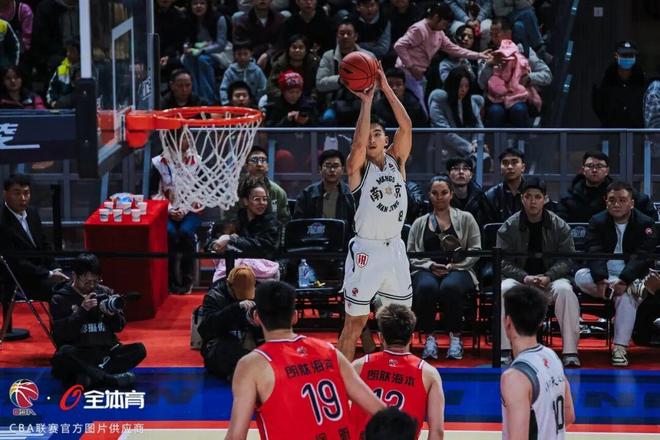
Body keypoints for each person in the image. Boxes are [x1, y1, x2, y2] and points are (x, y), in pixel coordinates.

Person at [225, 281, 385, 440]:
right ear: (294, 316)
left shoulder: (252, 365)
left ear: (256, 317)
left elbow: (236, 436)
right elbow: (382, 412)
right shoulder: (329, 351)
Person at [336, 63, 413, 362]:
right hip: (366, 251)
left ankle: (397, 375)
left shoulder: (397, 160)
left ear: (385, 139)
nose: (370, 138)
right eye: (367, 134)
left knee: (401, 323)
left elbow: (406, 126)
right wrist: (366, 102)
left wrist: (385, 87)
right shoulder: (357, 168)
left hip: (395, 250)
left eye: (377, 133)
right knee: (354, 324)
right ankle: (342, 381)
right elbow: (357, 144)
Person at [496, 177, 581, 368]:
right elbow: (502, 261)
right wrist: (524, 277)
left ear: (545, 199)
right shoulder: (509, 226)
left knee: (566, 291)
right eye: (528, 196)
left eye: (537, 197)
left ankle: (570, 352)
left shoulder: (560, 225)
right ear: (522, 199)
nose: (532, 201)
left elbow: (568, 259)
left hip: (550, 280)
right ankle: (504, 350)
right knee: (504, 289)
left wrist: (549, 276)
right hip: (521, 281)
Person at [574, 181, 657, 367]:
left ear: (632, 203)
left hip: (631, 273)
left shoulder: (645, 223)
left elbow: (642, 257)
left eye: (622, 200)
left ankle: (619, 348)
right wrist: (601, 279)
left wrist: (624, 280)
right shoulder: (597, 221)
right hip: (603, 276)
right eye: (612, 200)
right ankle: (634, 288)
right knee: (580, 276)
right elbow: (594, 252)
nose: (616, 204)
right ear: (606, 201)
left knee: (626, 296)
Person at [407, 176, 481, 360]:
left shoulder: (466, 218)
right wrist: (430, 265)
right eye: (435, 193)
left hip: (460, 269)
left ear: (451, 194)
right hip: (426, 269)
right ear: (429, 195)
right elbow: (411, 253)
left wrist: (453, 266)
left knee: (450, 287)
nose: (439, 197)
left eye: (444, 193)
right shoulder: (419, 223)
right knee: (426, 287)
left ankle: (455, 338)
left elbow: (475, 250)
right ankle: (429, 338)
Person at [50, 254, 146, 390]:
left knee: (139, 350)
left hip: (105, 353)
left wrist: (111, 315)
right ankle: (108, 379)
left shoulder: (106, 292)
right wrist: (82, 311)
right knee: (64, 354)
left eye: (96, 281)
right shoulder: (60, 298)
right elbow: (61, 336)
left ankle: (89, 376)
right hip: (79, 353)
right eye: (87, 282)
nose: (91, 286)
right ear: (74, 276)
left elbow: (119, 327)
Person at [351, 304, 445, 439]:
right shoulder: (428, 374)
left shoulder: (359, 366)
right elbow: (437, 431)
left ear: (380, 337)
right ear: (411, 338)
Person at [500, 285, 575, 440]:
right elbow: (569, 416)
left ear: (507, 322)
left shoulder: (515, 377)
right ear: (540, 322)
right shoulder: (552, 356)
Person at [393, 2, 491, 112]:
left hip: (419, 74)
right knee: (419, 111)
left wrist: (479, 55)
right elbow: (399, 46)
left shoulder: (439, 32)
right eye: (444, 23)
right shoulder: (419, 29)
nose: (445, 27)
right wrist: (411, 67)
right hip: (406, 72)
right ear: (436, 17)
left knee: (419, 111)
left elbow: (455, 49)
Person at [149, 133, 203, 294]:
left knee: (185, 233)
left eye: (188, 136)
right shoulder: (158, 162)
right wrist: (169, 210)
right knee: (170, 234)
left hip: (191, 210)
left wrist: (184, 209)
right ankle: (170, 280)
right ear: (172, 140)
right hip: (166, 211)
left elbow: (201, 192)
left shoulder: (197, 161)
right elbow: (153, 193)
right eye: (184, 137)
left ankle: (187, 279)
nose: (188, 140)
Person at [0, 174, 68, 300]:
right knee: (65, 293)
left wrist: (55, 267)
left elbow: (44, 244)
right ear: (5, 194)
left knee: (76, 281)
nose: (23, 198)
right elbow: (16, 263)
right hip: (19, 278)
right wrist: (49, 274)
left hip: (41, 272)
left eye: (26, 193)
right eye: (17, 193)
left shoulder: (32, 213)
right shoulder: (2, 222)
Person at [478, 17, 551, 128]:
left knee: (519, 110)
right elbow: (481, 84)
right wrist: (489, 65)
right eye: (491, 35)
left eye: (497, 34)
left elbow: (547, 75)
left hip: (519, 98)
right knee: (495, 112)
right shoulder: (488, 54)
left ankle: (524, 139)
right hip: (496, 99)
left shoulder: (524, 51)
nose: (493, 38)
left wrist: (529, 78)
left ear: (508, 34)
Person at [207, 179, 281, 282]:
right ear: (245, 201)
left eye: (264, 199)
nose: (262, 203)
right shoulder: (235, 219)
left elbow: (264, 246)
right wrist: (215, 245)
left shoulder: (271, 222)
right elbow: (211, 242)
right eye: (257, 199)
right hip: (235, 272)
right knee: (219, 287)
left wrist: (231, 240)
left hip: (263, 273)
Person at [198, 265, 263, 380]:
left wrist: (258, 323)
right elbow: (206, 329)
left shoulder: (259, 292)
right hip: (221, 344)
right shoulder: (214, 296)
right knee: (225, 350)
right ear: (230, 286)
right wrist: (234, 309)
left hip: (250, 342)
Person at [556, 151, 657, 223]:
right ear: (583, 170)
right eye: (590, 166)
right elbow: (560, 225)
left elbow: (647, 210)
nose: (594, 170)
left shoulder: (620, 191)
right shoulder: (569, 197)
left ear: (607, 171)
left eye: (599, 166)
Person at [315, 17, 374, 126]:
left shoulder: (368, 56)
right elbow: (319, 84)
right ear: (337, 36)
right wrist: (340, 79)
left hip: (363, 104)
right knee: (327, 118)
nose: (345, 36)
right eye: (342, 33)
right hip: (334, 105)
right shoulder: (328, 56)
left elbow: (377, 84)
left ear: (356, 36)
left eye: (349, 33)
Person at [428, 67, 485, 158]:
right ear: (452, 85)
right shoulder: (439, 100)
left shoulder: (471, 102)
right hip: (444, 150)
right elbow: (444, 131)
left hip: (470, 152)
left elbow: (479, 127)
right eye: (460, 86)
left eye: (466, 86)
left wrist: (475, 143)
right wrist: (469, 148)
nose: (463, 90)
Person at [182, 0, 231, 103]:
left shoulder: (219, 18)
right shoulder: (188, 19)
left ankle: (208, 99)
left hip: (218, 52)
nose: (198, 6)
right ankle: (195, 97)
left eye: (202, 3)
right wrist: (186, 47)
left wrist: (202, 50)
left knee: (202, 60)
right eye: (195, 3)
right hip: (196, 51)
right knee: (187, 60)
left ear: (207, 5)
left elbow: (221, 44)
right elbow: (187, 40)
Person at [293, 149, 356, 228]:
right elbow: (297, 225)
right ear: (320, 169)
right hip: (314, 235)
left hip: (343, 236)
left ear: (342, 170)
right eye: (328, 166)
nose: (332, 170)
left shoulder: (351, 195)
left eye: (336, 166)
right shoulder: (307, 195)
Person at [228, 145, 290, 225]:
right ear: (246, 166)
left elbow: (284, 222)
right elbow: (228, 221)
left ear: (267, 166)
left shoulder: (278, 192)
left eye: (263, 160)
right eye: (254, 160)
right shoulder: (235, 192)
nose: (259, 164)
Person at [592, 41, 645, 128]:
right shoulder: (604, 82)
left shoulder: (643, 83)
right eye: (624, 55)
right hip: (611, 132)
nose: (627, 58)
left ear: (635, 57)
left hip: (637, 133)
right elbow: (598, 108)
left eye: (630, 55)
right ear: (616, 56)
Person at [232, 0, 285, 70]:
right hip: (249, 60)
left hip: (274, 58)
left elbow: (281, 43)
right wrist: (266, 46)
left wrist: (267, 54)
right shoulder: (242, 21)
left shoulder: (280, 19)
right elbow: (240, 45)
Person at [267, 34, 318, 103]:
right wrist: (285, 97)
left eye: (301, 47)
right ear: (288, 49)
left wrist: (311, 98)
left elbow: (316, 86)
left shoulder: (314, 64)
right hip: (282, 99)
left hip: (307, 100)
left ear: (306, 50)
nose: (297, 50)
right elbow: (271, 86)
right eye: (294, 47)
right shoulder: (279, 64)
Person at [219, 40, 267, 105]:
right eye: (239, 54)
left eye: (245, 54)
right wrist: (226, 103)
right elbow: (223, 89)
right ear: (234, 55)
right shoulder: (230, 72)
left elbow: (263, 88)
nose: (242, 57)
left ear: (251, 53)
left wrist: (259, 103)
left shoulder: (257, 71)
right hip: (234, 104)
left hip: (253, 104)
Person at [446, 156, 491, 225]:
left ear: (471, 175)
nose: (461, 172)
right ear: (449, 173)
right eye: (456, 168)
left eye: (465, 168)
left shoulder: (479, 197)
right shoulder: (442, 196)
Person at [485, 147, 525, 223]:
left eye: (514, 162)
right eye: (505, 163)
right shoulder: (491, 196)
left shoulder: (532, 193)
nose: (509, 167)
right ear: (500, 168)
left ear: (523, 167)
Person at [45, 38, 79, 109]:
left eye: (72, 51)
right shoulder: (61, 69)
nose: (68, 54)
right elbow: (51, 90)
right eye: (68, 51)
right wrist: (53, 103)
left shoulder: (87, 70)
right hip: (62, 110)